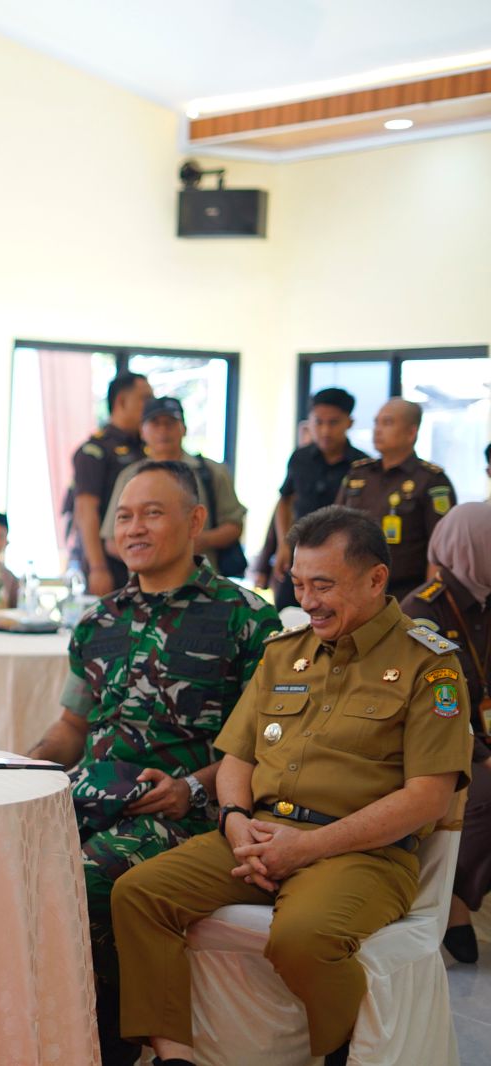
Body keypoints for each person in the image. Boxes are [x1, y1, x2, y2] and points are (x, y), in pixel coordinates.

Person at [111, 505, 473, 1066]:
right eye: (299, 584)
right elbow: (237, 757)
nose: (307, 602)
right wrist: (235, 821)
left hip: (362, 855)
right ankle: (175, 1056)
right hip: (258, 835)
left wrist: (307, 847)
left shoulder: (430, 666)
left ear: (376, 579)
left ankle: (342, 1050)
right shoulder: (286, 653)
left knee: (302, 939)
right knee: (138, 894)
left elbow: (427, 797)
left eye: (323, 585)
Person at [25, 460, 278, 1065]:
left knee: (81, 877)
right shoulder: (98, 620)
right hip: (91, 798)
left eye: (152, 513)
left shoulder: (247, 619)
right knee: (3, 861)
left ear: (195, 521)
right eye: (123, 517)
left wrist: (194, 787)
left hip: (183, 814)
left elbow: (268, 744)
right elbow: (71, 729)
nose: (134, 528)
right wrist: (21, 769)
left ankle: (104, 1045)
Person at [400, 501, 491, 964]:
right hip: (437, 749)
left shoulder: (484, 604)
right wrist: (482, 756)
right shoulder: (425, 611)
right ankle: (452, 895)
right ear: (472, 547)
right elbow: (431, 712)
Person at [102, 397, 246, 574]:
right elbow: (111, 541)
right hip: (146, 584)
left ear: (184, 429)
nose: (163, 430)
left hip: (202, 580)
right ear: (142, 431)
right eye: (155, 424)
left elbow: (234, 525)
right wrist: (148, 555)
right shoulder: (129, 476)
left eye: (170, 423)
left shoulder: (212, 472)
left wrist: (198, 540)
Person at [339, 397, 456, 599]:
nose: (377, 430)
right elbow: (336, 528)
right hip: (354, 588)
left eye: (387, 423)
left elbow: (441, 550)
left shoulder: (431, 480)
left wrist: (426, 601)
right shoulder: (358, 474)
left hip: (405, 592)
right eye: (376, 422)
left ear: (411, 432)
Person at [271, 388, 368, 609]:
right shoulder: (300, 458)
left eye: (333, 423)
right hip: (299, 554)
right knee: (286, 613)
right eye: (318, 422)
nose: (325, 431)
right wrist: (283, 545)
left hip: (341, 560)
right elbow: (284, 501)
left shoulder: (362, 466)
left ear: (349, 423)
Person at [70, 372, 153, 595]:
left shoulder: (147, 448)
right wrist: (98, 567)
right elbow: (86, 511)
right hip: (109, 566)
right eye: (144, 398)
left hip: (142, 564)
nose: (150, 405)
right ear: (121, 402)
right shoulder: (96, 451)